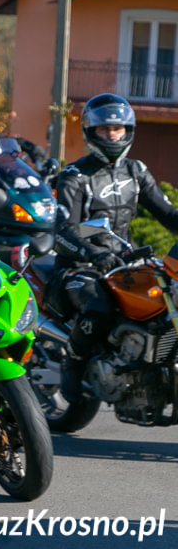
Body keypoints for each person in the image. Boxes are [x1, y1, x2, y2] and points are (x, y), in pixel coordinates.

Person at [54, 93, 178, 403]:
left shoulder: (136, 172)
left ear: (128, 131)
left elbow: (168, 214)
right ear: (91, 132)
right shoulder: (75, 175)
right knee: (98, 309)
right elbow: (64, 230)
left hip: (127, 262)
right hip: (80, 266)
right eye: (105, 129)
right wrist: (92, 252)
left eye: (118, 129)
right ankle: (74, 364)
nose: (112, 135)